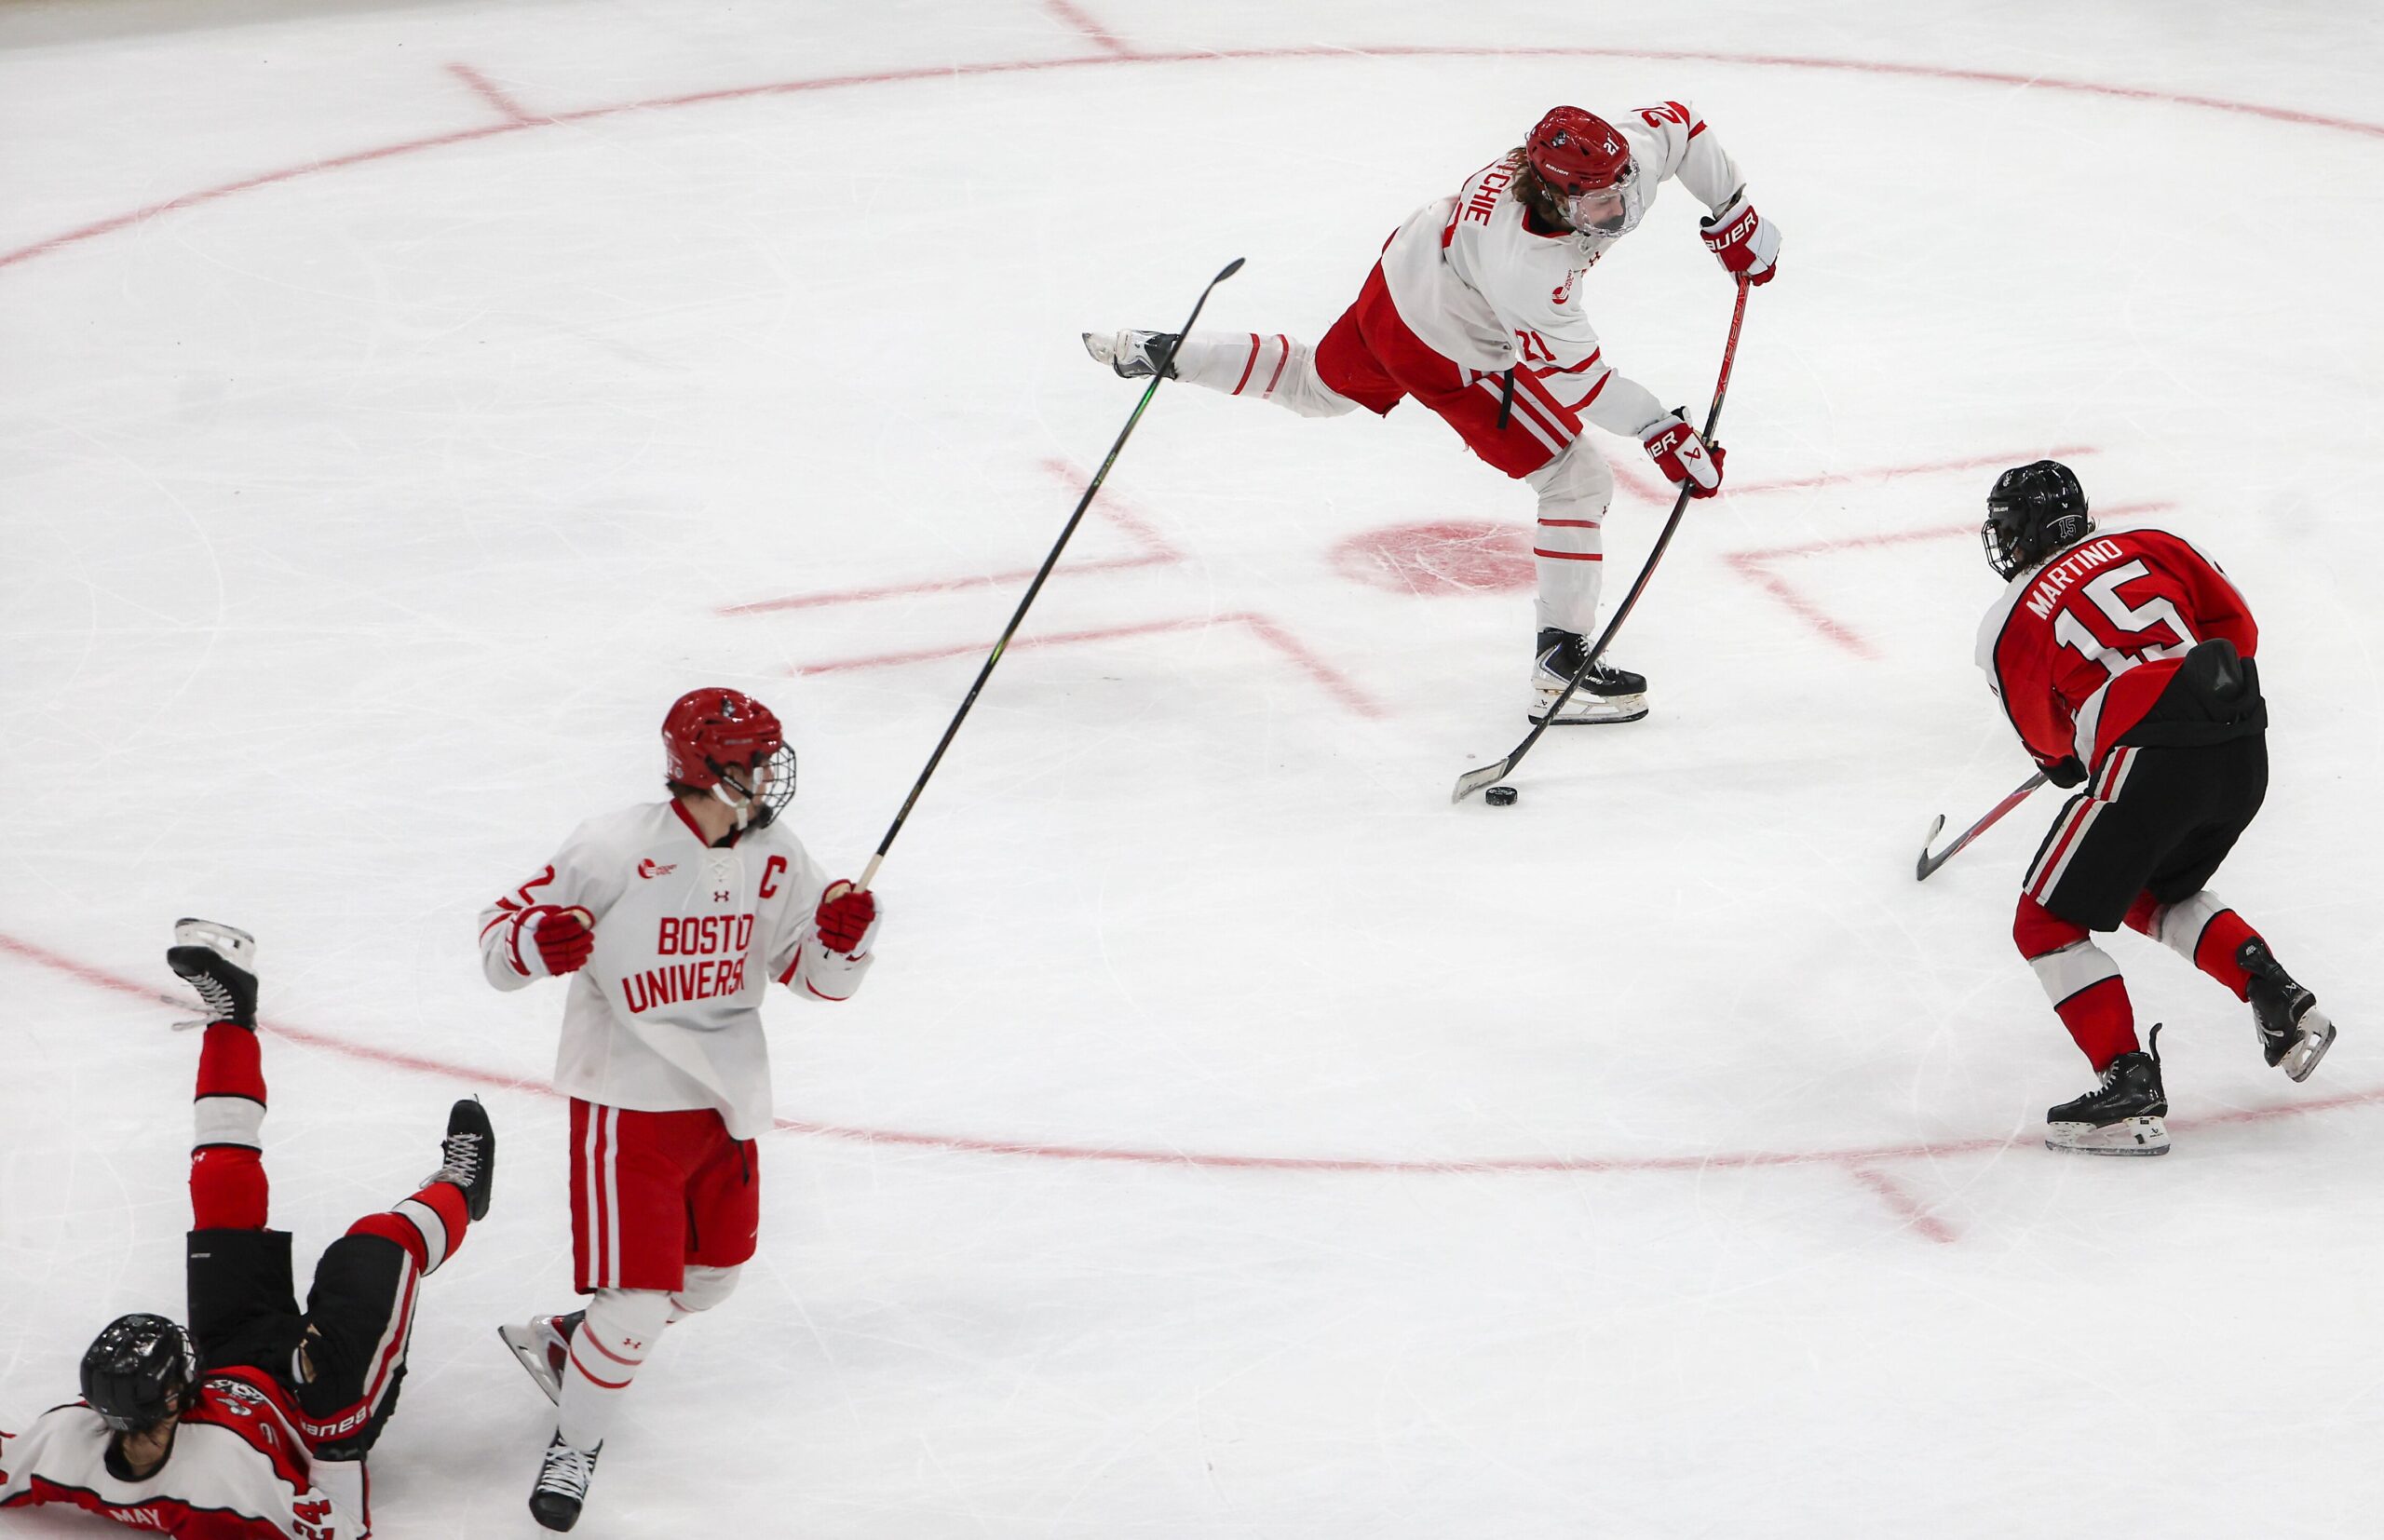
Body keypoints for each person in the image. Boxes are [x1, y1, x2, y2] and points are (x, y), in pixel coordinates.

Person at [1084, 101, 1778, 724]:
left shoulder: (1610, 166)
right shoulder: (1527, 271)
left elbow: (1680, 127)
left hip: (1400, 277)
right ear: (1557, 201)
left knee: (1314, 385)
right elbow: (1581, 384)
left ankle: (1163, 353)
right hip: (1444, 341)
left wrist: (1731, 210)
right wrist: (1660, 429)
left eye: (1623, 190)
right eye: (1597, 207)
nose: (1619, 214)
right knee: (1578, 479)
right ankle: (1558, 666)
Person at [479, 687, 881, 1532]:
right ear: (706, 765)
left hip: (725, 1102)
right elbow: (499, 940)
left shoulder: (779, 855)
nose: (770, 772)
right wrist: (534, 942)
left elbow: (813, 978)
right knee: (635, 1301)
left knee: (712, 1281)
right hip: (627, 1101)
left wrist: (844, 941)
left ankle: (568, 1345)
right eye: (754, 757)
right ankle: (576, 1446)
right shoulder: (615, 845)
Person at [0, 919, 494, 1536]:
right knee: (374, 1242)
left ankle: (232, 1016)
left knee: (219, 1183)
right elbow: (341, 1526)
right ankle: (458, 1192)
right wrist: (338, 1452)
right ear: (180, 1395)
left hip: (235, 1355)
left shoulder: (70, 1439)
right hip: (322, 1409)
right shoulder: (227, 1485)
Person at [1974, 461, 2339, 1155]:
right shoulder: (2153, 541)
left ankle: (2126, 1087)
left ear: (2017, 534)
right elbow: (2239, 630)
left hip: (2151, 750)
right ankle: (2277, 998)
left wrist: (2089, 740)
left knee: (2043, 920)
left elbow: (2054, 753)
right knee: (2149, 885)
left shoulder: (2009, 619)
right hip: (2240, 738)